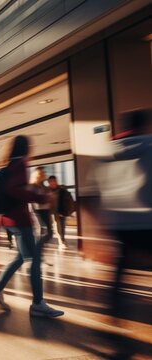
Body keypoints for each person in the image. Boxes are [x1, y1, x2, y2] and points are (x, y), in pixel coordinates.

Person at [0, 135, 64, 318]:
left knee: (20, 257)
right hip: (20, 219)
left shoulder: (6, 164)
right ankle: (38, 303)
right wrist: (41, 197)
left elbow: (11, 188)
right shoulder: (20, 164)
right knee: (34, 260)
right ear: (25, 147)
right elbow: (14, 189)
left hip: (9, 218)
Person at [95, 109, 152, 324]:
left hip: (118, 220)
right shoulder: (149, 145)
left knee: (122, 264)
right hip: (147, 218)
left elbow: (99, 188)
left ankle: (113, 305)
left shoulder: (109, 151)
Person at [29, 167, 53, 252]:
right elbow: (30, 200)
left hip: (46, 211)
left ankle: (37, 252)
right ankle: (37, 254)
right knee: (42, 232)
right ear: (36, 175)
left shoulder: (44, 186)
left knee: (50, 233)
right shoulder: (32, 186)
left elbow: (49, 198)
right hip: (37, 211)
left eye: (44, 173)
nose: (43, 175)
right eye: (41, 173)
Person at [47, 175, 73, 249]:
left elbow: (69, 199)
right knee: (58, 227)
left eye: (54, 181)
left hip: (62, 211)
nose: (53, 183)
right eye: (51, 181)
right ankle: (61, 241)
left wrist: (69, 211)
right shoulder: (47, 191)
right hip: (53, 212)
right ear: (49, 183)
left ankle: (63, 239)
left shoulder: (62, 190)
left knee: (63, 226)